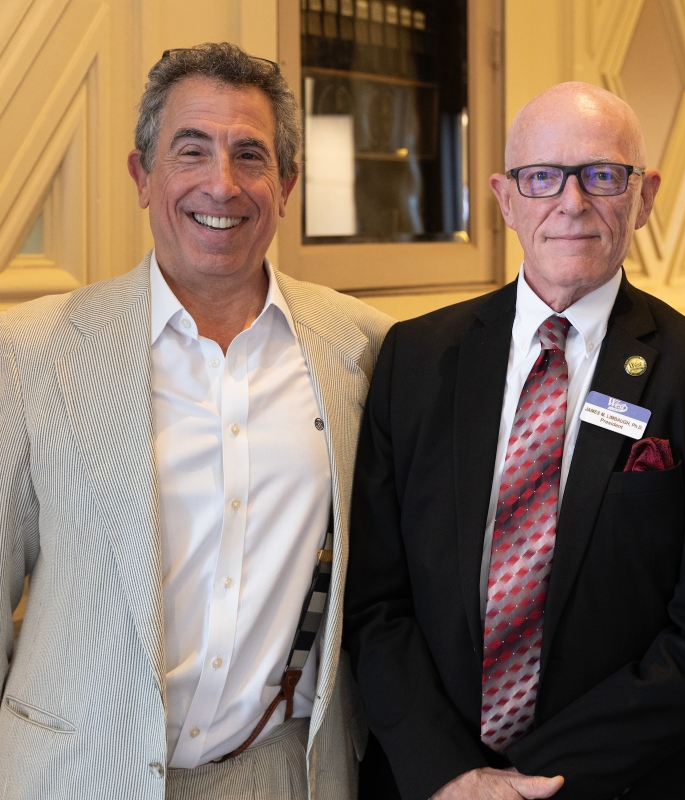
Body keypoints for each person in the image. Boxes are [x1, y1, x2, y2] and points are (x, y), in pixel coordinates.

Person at [346, 82, 685, 800]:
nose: (571, 203)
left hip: (635, 782)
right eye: (542, 177)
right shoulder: (415, 359)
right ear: (505, 198)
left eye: (602, 175)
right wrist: (452, 774)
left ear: (645, 195)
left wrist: (519, 784)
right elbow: (375, 604)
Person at [0, 43, 393, 799]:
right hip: (78, 777)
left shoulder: (365, 350)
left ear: (286, 185)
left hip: (290, 773)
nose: (222, 183)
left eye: (250, 155)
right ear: (142, 177)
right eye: (191, 151)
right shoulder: (32, 355)